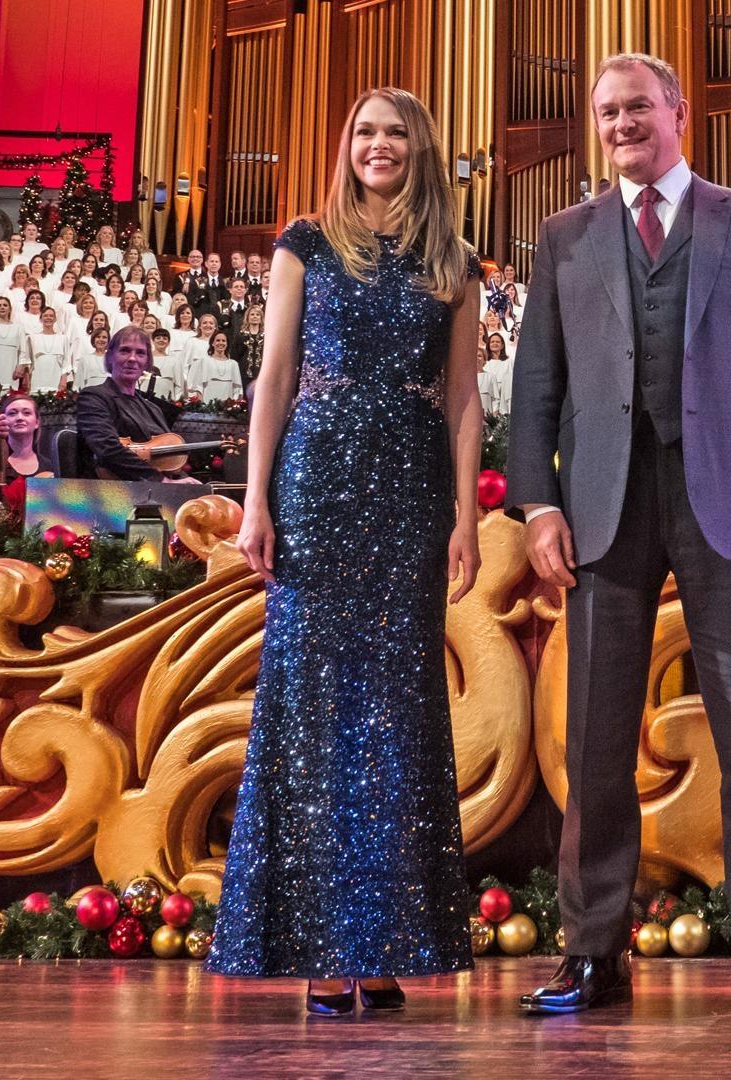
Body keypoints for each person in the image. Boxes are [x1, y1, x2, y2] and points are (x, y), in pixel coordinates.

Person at [507, 53, 731, 1018]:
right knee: (595, 741)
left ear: (679, 111)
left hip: (725, 499)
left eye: (637, 107)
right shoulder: (561, 237)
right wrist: (538, 504)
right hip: (601, 505)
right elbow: (536, 386)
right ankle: (594, 952)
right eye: (606, 112)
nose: (620, 124)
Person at [212, 86, 483, 1017]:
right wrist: (255, 502)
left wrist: (465, 516)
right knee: (315, 711)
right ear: (347, 144)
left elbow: (463, 398)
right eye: (365, 131)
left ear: (422, 148)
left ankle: (389, 941)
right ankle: (323, 948)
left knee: (399, 713)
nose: (379, 145)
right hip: (317, 483)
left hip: (410, 490)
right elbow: (275, 378)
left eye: (396, 133)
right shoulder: (305, 243)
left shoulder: (452, 259)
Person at [75, 326, 182, 480]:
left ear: (147, 362)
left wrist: (184, 481)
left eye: (140, 353)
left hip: (153, 489)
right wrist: (160, 480)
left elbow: (168, 457)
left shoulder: (153, 409)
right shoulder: (93, 397)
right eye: (125, 351)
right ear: (110, 356)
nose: (132, 358)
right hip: (110, 492)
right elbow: (107, 449)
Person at [0, 392, 55, 484]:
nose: (19, 418)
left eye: (26, 413)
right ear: (3, 420)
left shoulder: (50, 466)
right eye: (12, 413)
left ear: (37, 422)